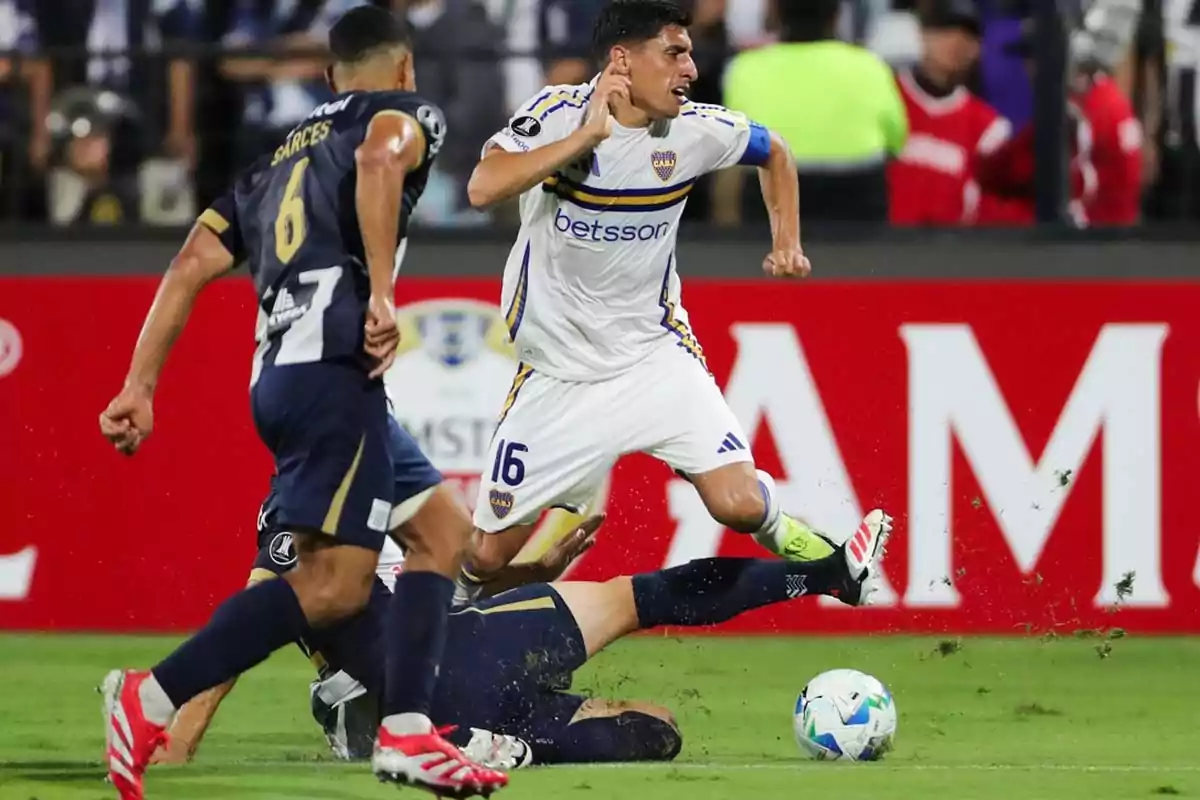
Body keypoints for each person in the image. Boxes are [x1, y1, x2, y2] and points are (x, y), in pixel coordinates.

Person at [95, 7, 506, 799]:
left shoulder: (271, 163)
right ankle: (151, 698)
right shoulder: (406, 114)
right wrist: (383, 291)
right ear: (406, 69)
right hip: (334, 372)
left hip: (283, 375)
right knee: (332, 588)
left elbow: (188, 262)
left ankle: (409, 732)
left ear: (327, 77)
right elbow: (386, 160)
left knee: (441, 531)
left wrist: (139, 384)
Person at [462, 0, 893, 601]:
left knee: (740, 505)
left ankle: (834, 570)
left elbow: (776, 151)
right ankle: (439, 633)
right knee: (483, 556)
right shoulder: (556, 113)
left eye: (689, 52)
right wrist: (586, 138)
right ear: (622, 60)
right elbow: (483, 187)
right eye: (674, 53)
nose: (690, 69)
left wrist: (786, 242)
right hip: (559, 376)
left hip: (653, 359)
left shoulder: (694, 130)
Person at [149, 490, 891, 767]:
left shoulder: (311, 512)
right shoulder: (328, 504)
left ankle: (508, 749)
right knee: (642, 606)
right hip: (479, 647)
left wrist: (534, 572)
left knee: (660, 726)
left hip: (463, 669)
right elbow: (242, 635)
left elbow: (240, 638)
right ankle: (830, 576)